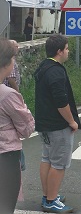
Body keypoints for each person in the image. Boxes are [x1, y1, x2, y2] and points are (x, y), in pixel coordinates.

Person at [34, 34, 79, 213]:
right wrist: (72, 122)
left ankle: (48, 195)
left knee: (47, 159)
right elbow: (61, 102)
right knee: (59, 164)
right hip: (57, 125)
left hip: (44, 123)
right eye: (67, 49)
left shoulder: (44, 66)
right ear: (59, 51)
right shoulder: (56, 71)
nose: (68, 52)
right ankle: (51, 201)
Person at [0, 40, 33, 213]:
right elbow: (27, 128)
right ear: (7, 62)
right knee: (5, 207)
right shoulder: (8, 96)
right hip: (5, 158)